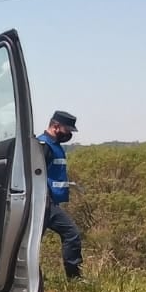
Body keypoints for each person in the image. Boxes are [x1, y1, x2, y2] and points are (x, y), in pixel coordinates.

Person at [38, 109, 83, 280]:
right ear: (56, 126)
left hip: (49, 202)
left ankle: (37, 277)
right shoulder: (43, 146)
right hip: (44, 202)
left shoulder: (53, 145)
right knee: (71, 233)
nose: (70, 134)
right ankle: (74, 278)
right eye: (68, 130)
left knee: (33, 242)